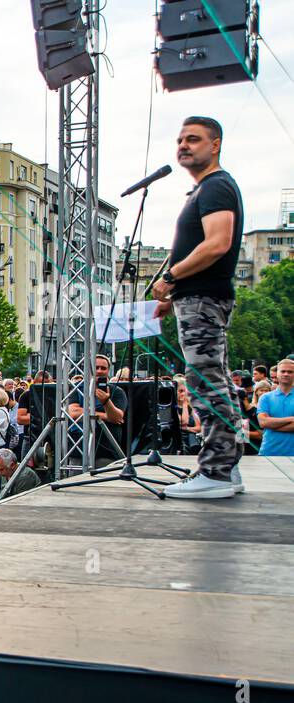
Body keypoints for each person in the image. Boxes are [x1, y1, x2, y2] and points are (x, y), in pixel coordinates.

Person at [152, 116, 245, 499]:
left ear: (216, 144)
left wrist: (171, 277)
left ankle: (216, 472)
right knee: (213, 378)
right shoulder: (205, 190)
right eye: (180, 140)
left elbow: (217, 244)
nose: (184, 146)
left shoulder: (217, 187)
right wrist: (175, 298)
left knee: (206, 381)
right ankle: (226, 467)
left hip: (205, 299)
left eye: (194, 139)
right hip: (198, 299)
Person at [64, 354, 127, 466]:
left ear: (108, 371)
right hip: (78, 450)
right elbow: (73, 413)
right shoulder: (76, 388)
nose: (99, 371)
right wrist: (105, 416)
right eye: (96, 367)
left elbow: (117, 417)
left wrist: (106, 402)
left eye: (103, 368)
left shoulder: (117, 392)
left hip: (106, 452)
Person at [256, 357, 294, 457]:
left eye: (290, 372)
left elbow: (267, 423)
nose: (286, 374)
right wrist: (291, 419)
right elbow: (263, 422)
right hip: (269, 451)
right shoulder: (265, 397)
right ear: (277, 374)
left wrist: (272, 426)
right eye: (283, 371)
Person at [170, 380, 203, 454]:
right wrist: (184, 403)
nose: (183, 394)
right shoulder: (172, 406)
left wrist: (187, 428)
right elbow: (184, 421)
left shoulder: (190, 407)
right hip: (178, 442)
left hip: (191, 442)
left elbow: (198, 428)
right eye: (180, 391)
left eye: (185, 391)